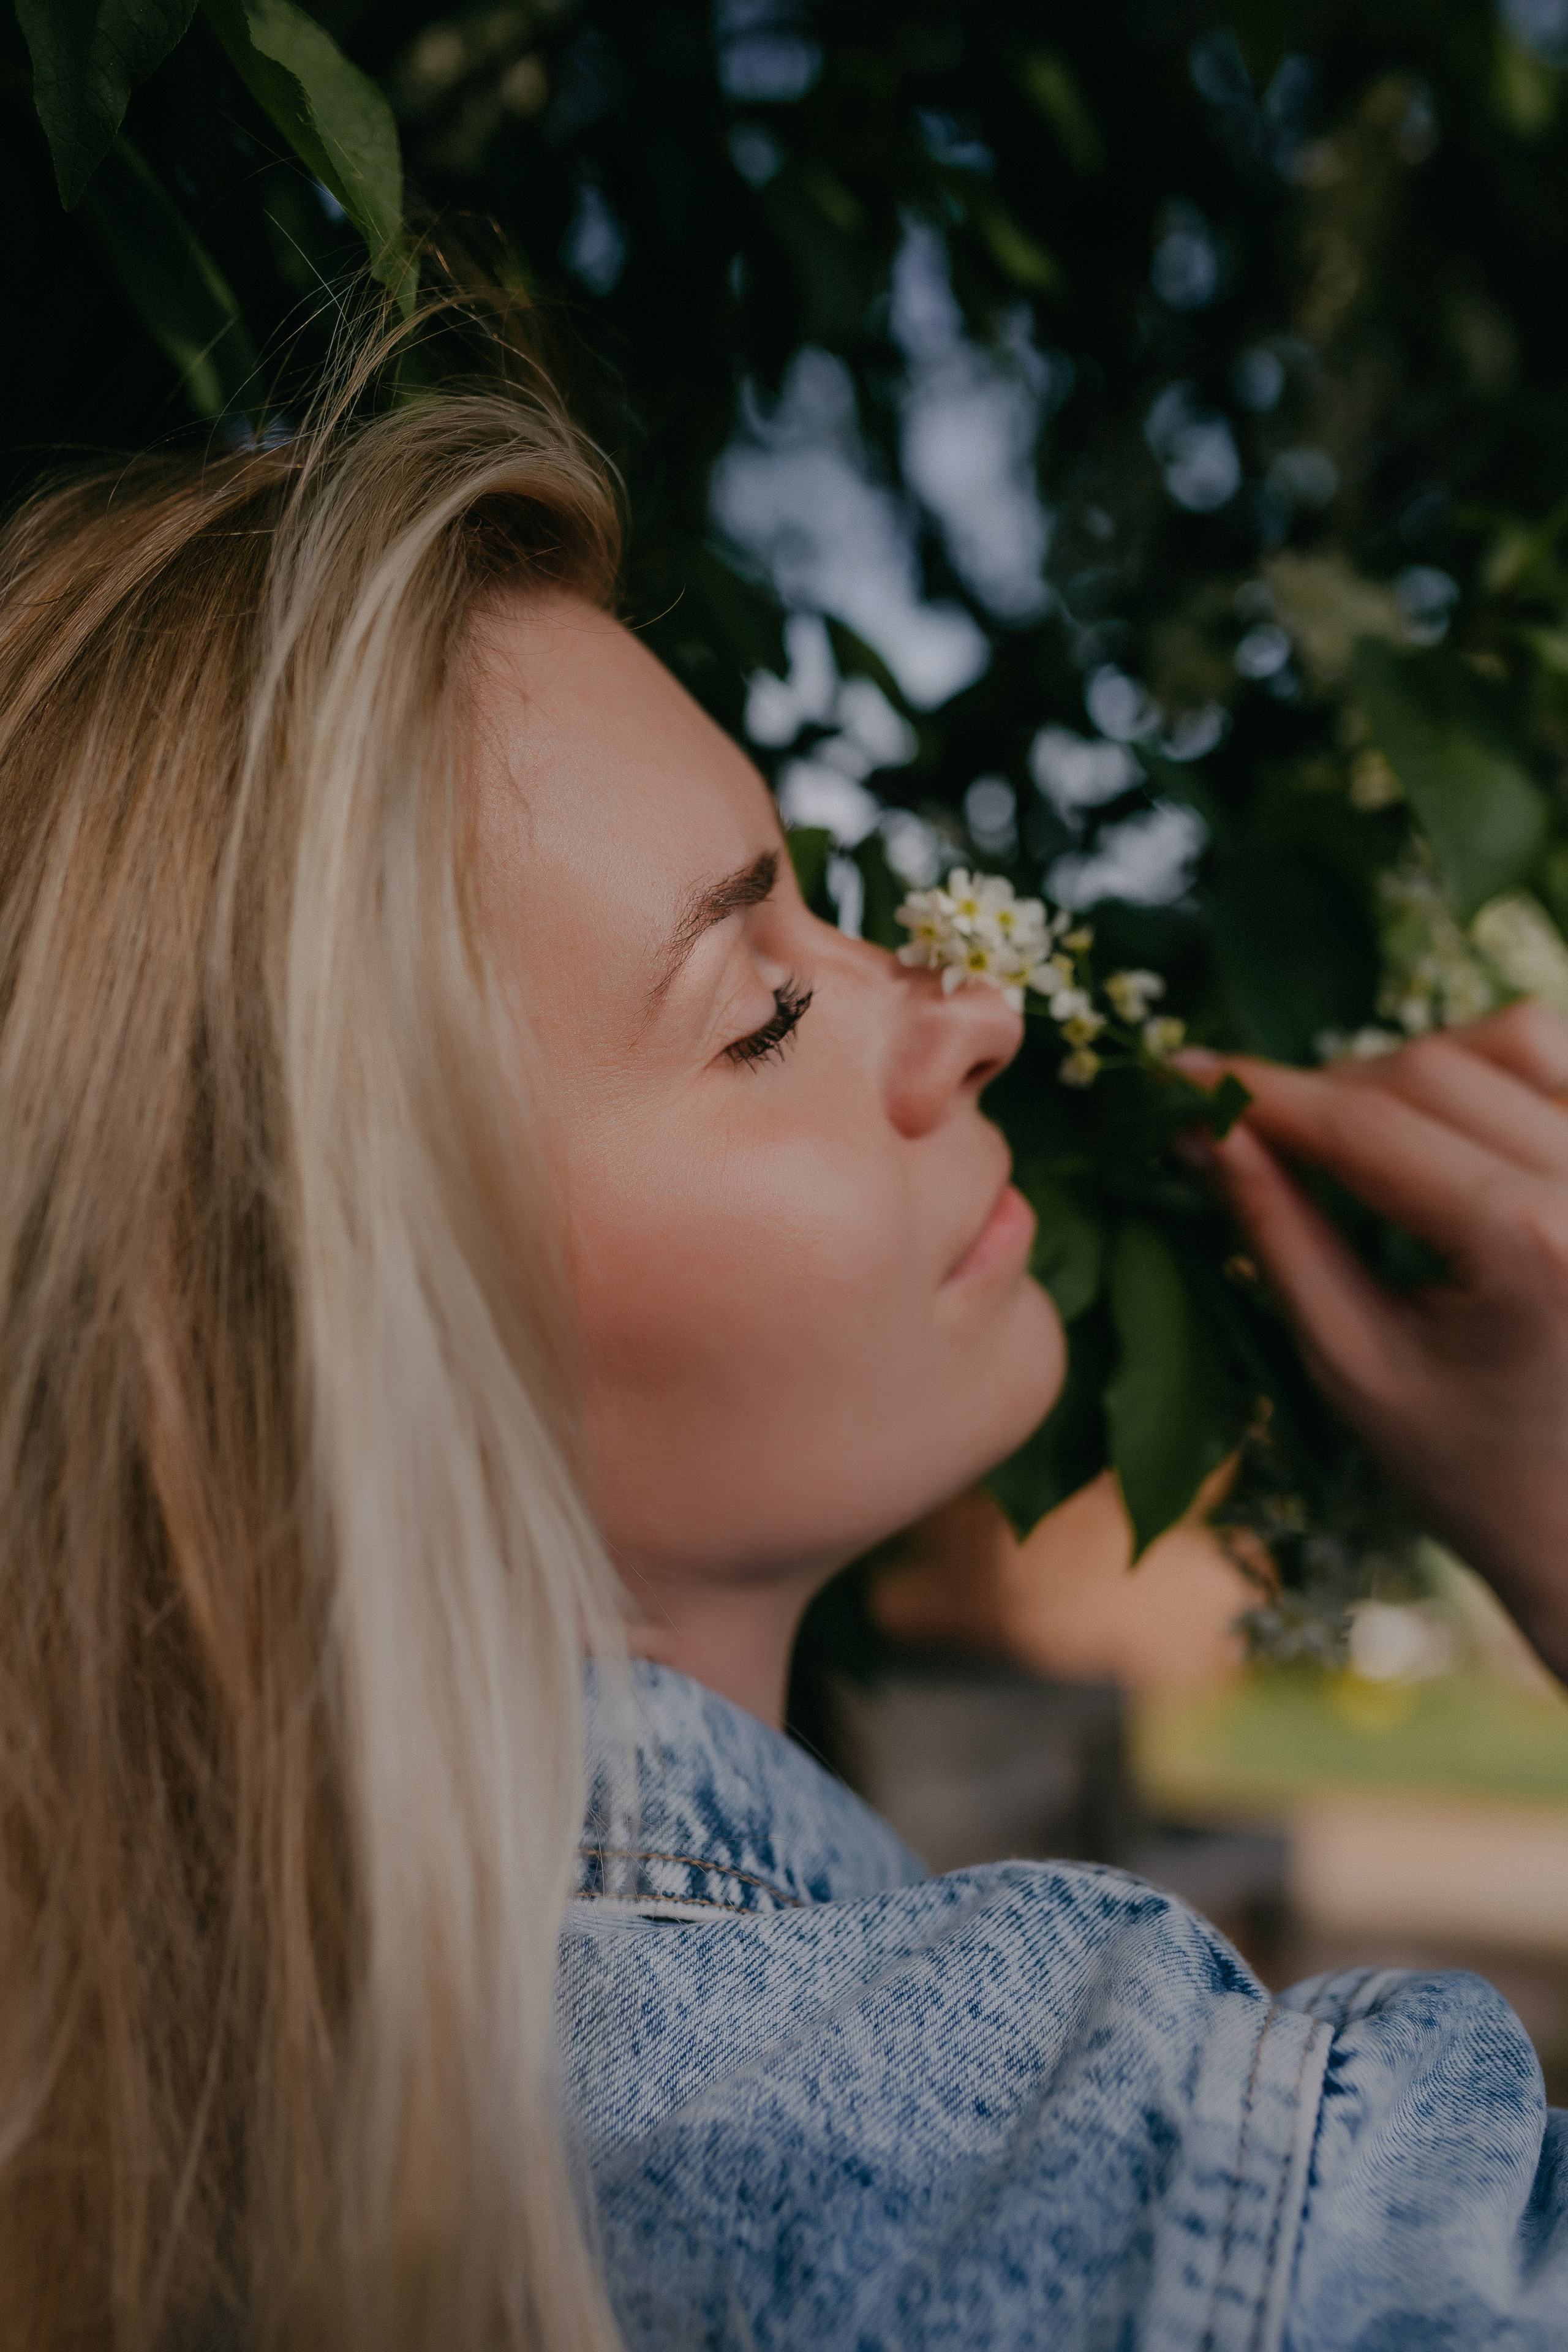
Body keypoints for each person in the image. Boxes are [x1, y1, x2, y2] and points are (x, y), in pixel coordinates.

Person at [1, 332, 1566, 2352]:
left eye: (818, 915)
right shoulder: (1098, 2192)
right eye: (761, 1011)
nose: (975, 1014)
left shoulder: (162, 2120)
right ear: (341, 1321)